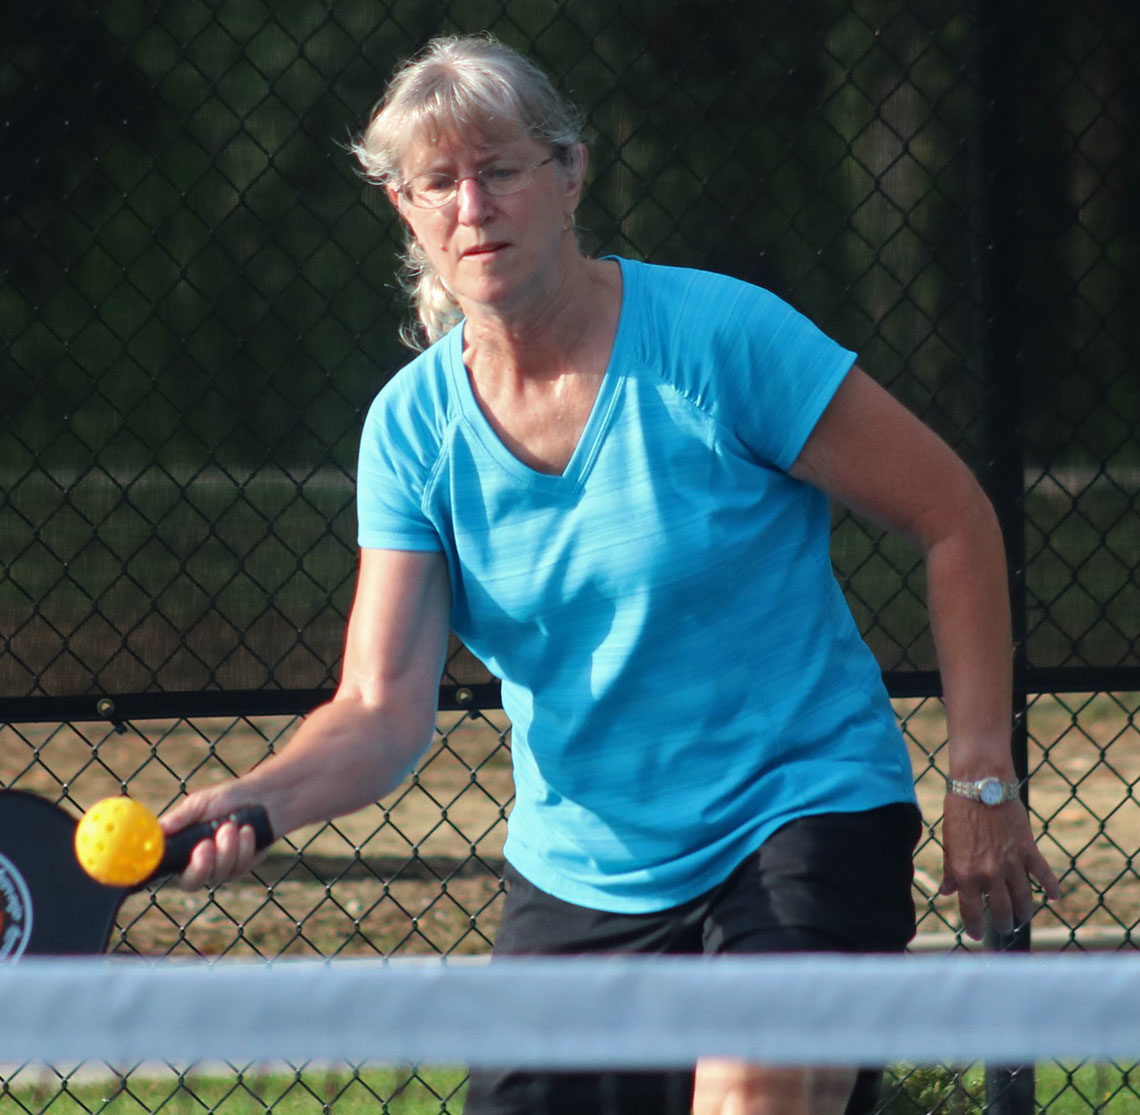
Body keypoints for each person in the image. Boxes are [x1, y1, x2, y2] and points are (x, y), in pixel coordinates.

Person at [157, 33, 1062, 1115]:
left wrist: (980, 773)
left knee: (753, 1085)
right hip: (585, 868)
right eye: (438, 181)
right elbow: (379, 706)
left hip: (799, 811)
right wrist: (255, 799)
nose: (472, 204)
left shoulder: (720, 338)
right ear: (405, 210)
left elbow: (954, 513)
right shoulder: (410, 430)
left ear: (571, 173)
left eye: (500, 169)